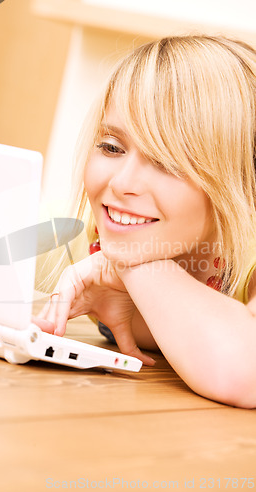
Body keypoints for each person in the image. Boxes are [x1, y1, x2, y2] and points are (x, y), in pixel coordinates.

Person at [33, 35, 256, 409]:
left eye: (168, 162)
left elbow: (245, 375)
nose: (121, 184)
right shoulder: (74, 233)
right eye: (111, 147)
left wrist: (133, 267)